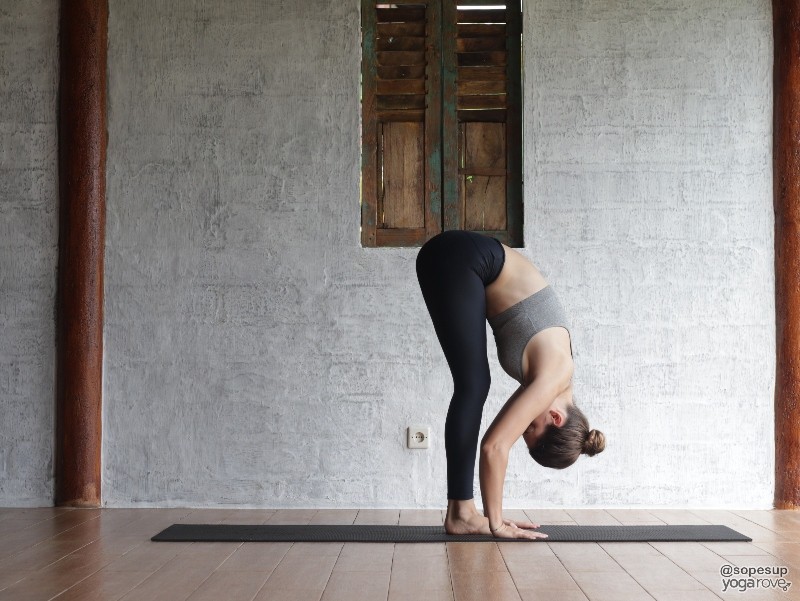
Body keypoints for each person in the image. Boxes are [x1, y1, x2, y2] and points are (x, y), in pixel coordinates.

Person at [416, 229, 605, 540]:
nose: (523, 426)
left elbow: (495, 439)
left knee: (475, 384)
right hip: (462, 257)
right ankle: (462, 512)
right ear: (555, 418)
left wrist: (495, 514)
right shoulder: (555, 375)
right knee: (473, 385)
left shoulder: (552, 383)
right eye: (530, 428)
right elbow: (495, 447)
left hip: (457, 258)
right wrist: (498, 524)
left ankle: (462, 511)